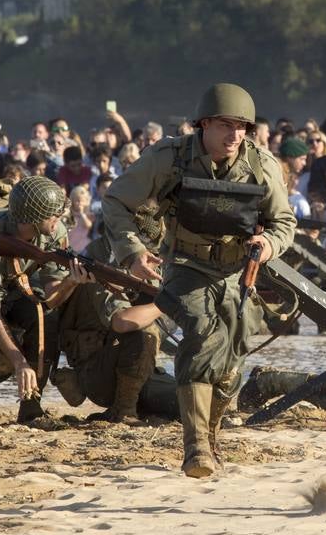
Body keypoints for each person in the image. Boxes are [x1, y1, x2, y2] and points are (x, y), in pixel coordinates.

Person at [101, 83, 295, 479]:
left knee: (231, 358)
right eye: (226, 125)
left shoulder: (262, 165)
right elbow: (116, 200)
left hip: (237, 272)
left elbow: (284, 223)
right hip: (185, 267)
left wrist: (268, 244)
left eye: (243, 127)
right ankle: (195, 449)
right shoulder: (167, 158)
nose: (235, 134)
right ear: (203, 124)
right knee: (202, 337)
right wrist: (133, 252)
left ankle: (211, 434)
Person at [0, 176, 93, 425]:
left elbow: (51, 299)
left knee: (46, 321)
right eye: (52, 214)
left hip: (14, 286)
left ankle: (31, 409)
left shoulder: (55, 231)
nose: (58, 219)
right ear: (32, 218)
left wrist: (71, 282)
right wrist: (20, 363)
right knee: (4, 356)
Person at [51, 201, 175, 423]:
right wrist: (167, 302)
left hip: (139, 371)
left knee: (193, 403)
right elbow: (123, 322)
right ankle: (123, 411)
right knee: (144, 333)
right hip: (98, 374)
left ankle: (136, 406)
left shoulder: (149, 261)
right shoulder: (101, 264)